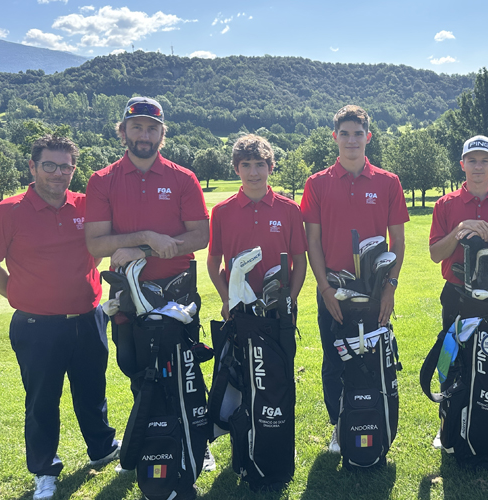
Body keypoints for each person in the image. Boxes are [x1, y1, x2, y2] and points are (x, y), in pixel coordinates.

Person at [0, 135, 119, 500]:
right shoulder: (8, 211)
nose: (59, 173)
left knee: (91, 391)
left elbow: (98, 251)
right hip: (36, 326)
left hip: (88, 319)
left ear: (74, 168)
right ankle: (44, 469)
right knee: (42, 400)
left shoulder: (87, 205)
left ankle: (102, 448)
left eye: (67, 166)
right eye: (50, 165)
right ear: (33, 167)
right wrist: (19, 294)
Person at [84, 97, 212, 487]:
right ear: (123, 131)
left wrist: (140, 248)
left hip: (176, 295)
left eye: (151, 127)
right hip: (129, 298)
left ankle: (196, 441)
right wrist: (147, 236)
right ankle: (151, 438)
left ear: (162, 133)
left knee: (184, 372)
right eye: (136, 127)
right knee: (138, 373)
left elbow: (200, 235)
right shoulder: (102, 180)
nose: (144, 134)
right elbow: (96, 244)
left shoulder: (182, 178)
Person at [300, 105, 409, 454]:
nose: (351, 140)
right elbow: (312, 242)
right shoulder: (316, 183)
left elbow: (399, 241)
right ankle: (339, 425)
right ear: (335, 137)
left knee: (373, 357)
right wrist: (325, 288)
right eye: (344, 134)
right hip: (334, 288)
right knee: (335, 361)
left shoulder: (388, 182)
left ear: (368, 138)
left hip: (376, 289)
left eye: (357, 134)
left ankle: (374, 420)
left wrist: (390, 286)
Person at [428, 134, 488, 449]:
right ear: (462, 165)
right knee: (449, 359)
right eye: (472, 160)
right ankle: (448, 422)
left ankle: (482, 421)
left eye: (485, 160)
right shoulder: (446, 204)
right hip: (456, 294)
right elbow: (435, 254)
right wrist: (459, 231)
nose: (478, 166)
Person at [207, 133, 307, 319]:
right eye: (246, 165)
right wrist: (227, 299)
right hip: (239, 305)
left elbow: (300, 261)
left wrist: (290, 300)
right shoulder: (221, 211)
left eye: (260, 164)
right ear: (236, 169)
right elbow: (213, 263)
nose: (253, 173)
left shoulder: (290, 209)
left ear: (271, 167)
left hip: (279, 303)